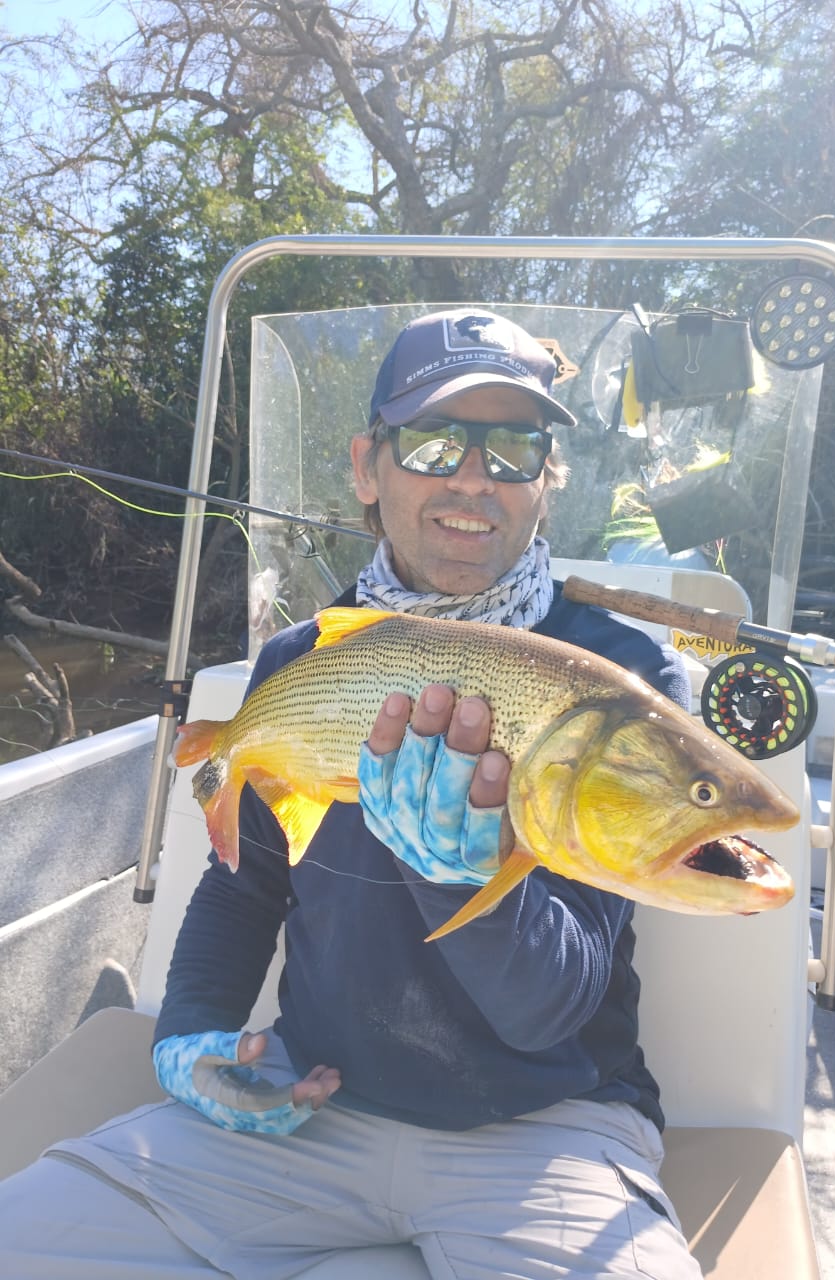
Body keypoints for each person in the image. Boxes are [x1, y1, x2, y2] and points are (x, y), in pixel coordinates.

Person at [0, 308, 703, 1278]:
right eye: (433, 440)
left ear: (548, 480)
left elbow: (553, 1009)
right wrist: (192, 1034)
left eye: (513, 447)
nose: (471, 475)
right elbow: (244, 887)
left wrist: (468, 877)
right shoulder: (302, 656)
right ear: (368, 467)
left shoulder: (621, 677)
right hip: (310, 1106)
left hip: (547, 1129)